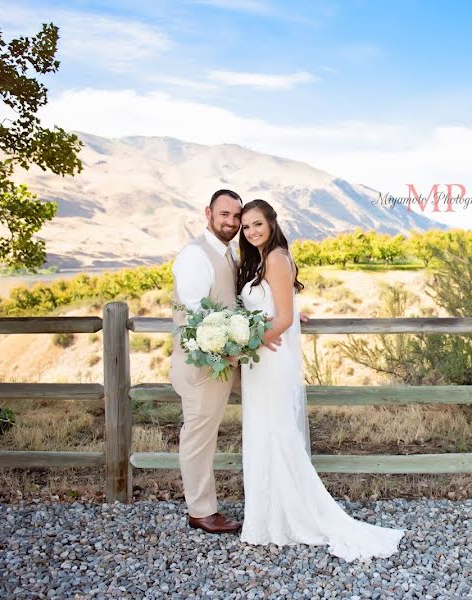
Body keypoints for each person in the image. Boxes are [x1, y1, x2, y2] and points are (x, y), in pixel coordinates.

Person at [236, 199, 404, 561]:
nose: (251, 232)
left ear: (271, 222)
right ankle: (267, 517)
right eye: (245, 227)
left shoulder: (277, 257)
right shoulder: (258, 260)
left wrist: (243, 344)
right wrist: (292, 315)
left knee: (277, 432)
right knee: (262, 433)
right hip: (258, 361)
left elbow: (279, 321)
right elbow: (280, 309)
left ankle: (290, 517)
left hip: (270, 357)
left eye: (257, 224)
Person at [169, 188, 245, 534]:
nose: (231, 222)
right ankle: (201, 511)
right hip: (202, 366)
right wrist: (225, 352)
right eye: (224, 214)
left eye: (236, 216)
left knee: (209, 434)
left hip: (224, 361)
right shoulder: (195, 256)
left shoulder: (228, 254)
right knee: (198, 437)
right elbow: (194, 316)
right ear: (208, 213)